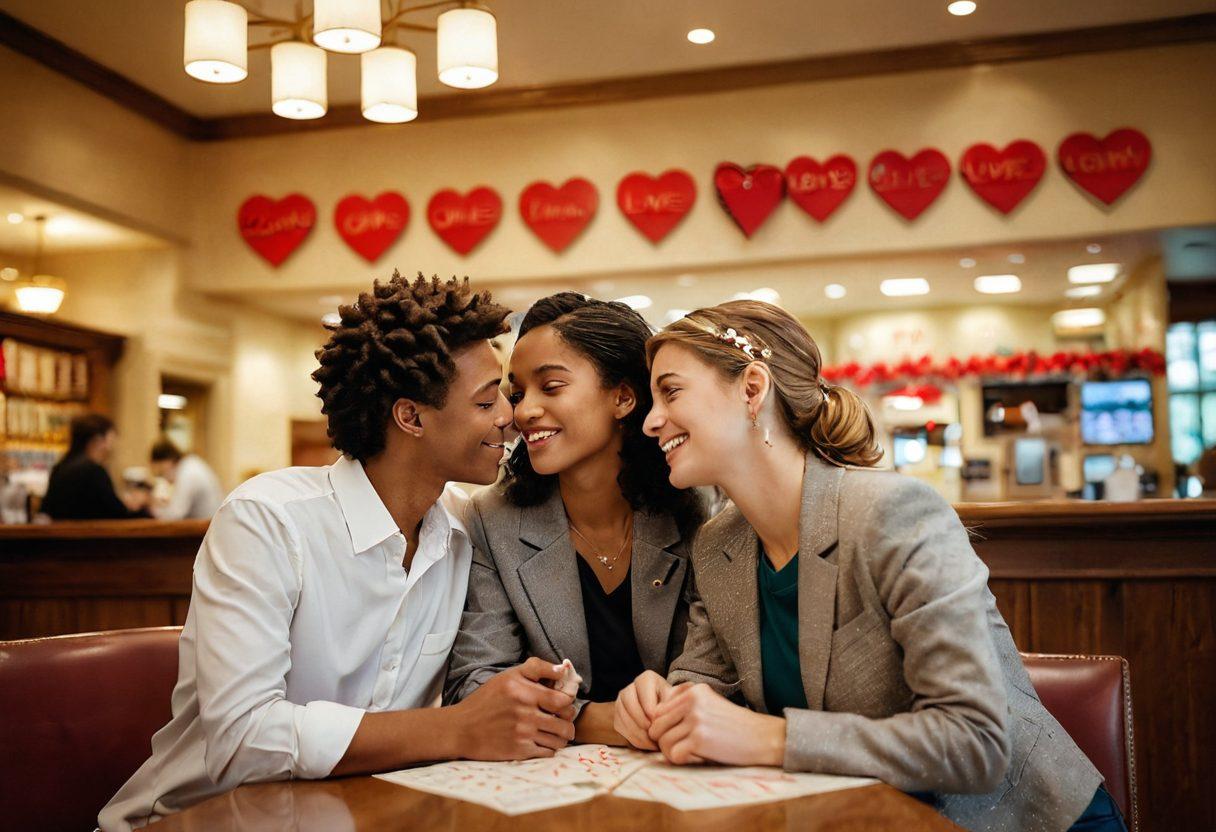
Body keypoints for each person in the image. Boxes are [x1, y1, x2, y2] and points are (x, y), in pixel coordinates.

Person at [614, 300, 1124, 832]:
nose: (650, 421)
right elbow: (703, 681)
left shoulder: (894, 515)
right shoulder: (718, 543)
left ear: (752, 389)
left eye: (670, 392)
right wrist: (664, 705)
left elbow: (976, 741)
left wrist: (769, 737)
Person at [100, 273, 578, 832]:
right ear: (411, 417)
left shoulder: (464, 528)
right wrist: (458, 727)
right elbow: (242, 740)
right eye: (484, 399)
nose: (509, 415)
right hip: (196, 818)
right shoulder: (268, 521)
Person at [445, 293, 704, 746]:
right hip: (550, 785)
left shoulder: (698, 508)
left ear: (623, 396)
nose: (522, 412)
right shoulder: (492, 518)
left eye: (552, 386)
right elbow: (475, 683)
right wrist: (605, 722)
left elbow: (720, 675)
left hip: (686, 769)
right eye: (519, 393)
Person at [40, 413, 150, 520]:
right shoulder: (93, 471)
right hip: (91, 536)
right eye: (111, 438)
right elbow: (117, 514)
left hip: (61, 536)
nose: (112, 445)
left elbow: (46, 509)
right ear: (98, 439)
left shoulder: (60, 468)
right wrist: (143, 509)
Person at [148, 438, 225, 520]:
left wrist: (151, 504)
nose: (164, 479)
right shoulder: (190, 464)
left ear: (167, 463)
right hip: (209, 524)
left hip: (207, 527)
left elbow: (175, 515)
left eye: (161, 473)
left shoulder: (188, 473)